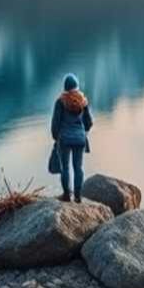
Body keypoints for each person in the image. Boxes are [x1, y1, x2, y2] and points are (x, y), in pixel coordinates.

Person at [51, 73, 92, 202]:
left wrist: (55, 137)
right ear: (76, 87)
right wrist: (82, 131)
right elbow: (89, 122)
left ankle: (67, 195)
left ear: (65, 87)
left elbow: (55, 123)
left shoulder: (60, 102)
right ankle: (78, 197)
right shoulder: (83, 102)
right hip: (79, 139)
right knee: (78, 168)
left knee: (65, 168)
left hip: (64, 140)